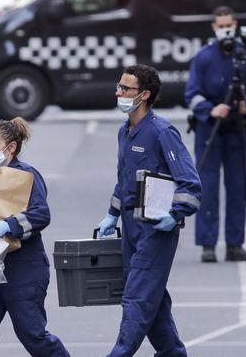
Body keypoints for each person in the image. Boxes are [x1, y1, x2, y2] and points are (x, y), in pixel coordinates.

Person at [98, 64, 202, 357]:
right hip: (130, 227)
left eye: (125, 89)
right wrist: (112, 214)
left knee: (137, 297)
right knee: (152, 298)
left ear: (143, 94)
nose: (118, 92)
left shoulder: (161, 132)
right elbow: (124, 178)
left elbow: (190, 182)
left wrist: (176, 214)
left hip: (156, 228)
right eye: (118, 86)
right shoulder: (125, 132)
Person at [0, 118, 70, 357]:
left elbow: (41, 215)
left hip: (23, 271)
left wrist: (8, 225)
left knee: (33, 335)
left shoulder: (27, 176)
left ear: (11, 147)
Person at [185, 6, 246, 263]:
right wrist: (211, 109)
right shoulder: (203, 57)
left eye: (228, 25)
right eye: (220, 26)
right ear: (213, 27)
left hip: (237, 128)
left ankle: (235, 243)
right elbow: (191, 94)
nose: (225, 30)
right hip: (210, 128)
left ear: (236, 24)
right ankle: (207, 244)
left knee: (237, 186)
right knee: (207, 186)